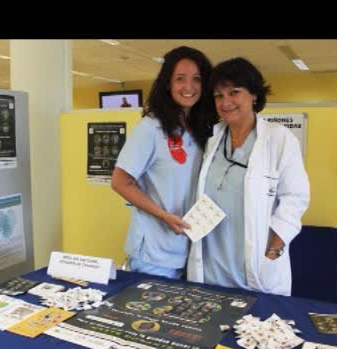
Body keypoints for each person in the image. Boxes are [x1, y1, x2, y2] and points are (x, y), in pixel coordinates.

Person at [186, 57, 310, 296]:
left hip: (255, 268)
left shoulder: (279, 139)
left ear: (254, 95)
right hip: (210, 267)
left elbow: (295, 199)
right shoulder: (211, 140)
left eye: (234, 92)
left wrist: (273, 251)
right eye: (219, 95)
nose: (226, 102)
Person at [111, 46, 217, 279]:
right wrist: (163, 215)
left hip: (189, 249)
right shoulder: (151, 128)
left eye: (197, 79)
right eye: (180, 79)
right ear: (168, 83)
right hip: (154, 254)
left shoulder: (200, 131)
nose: (189, 87)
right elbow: (120, 182)